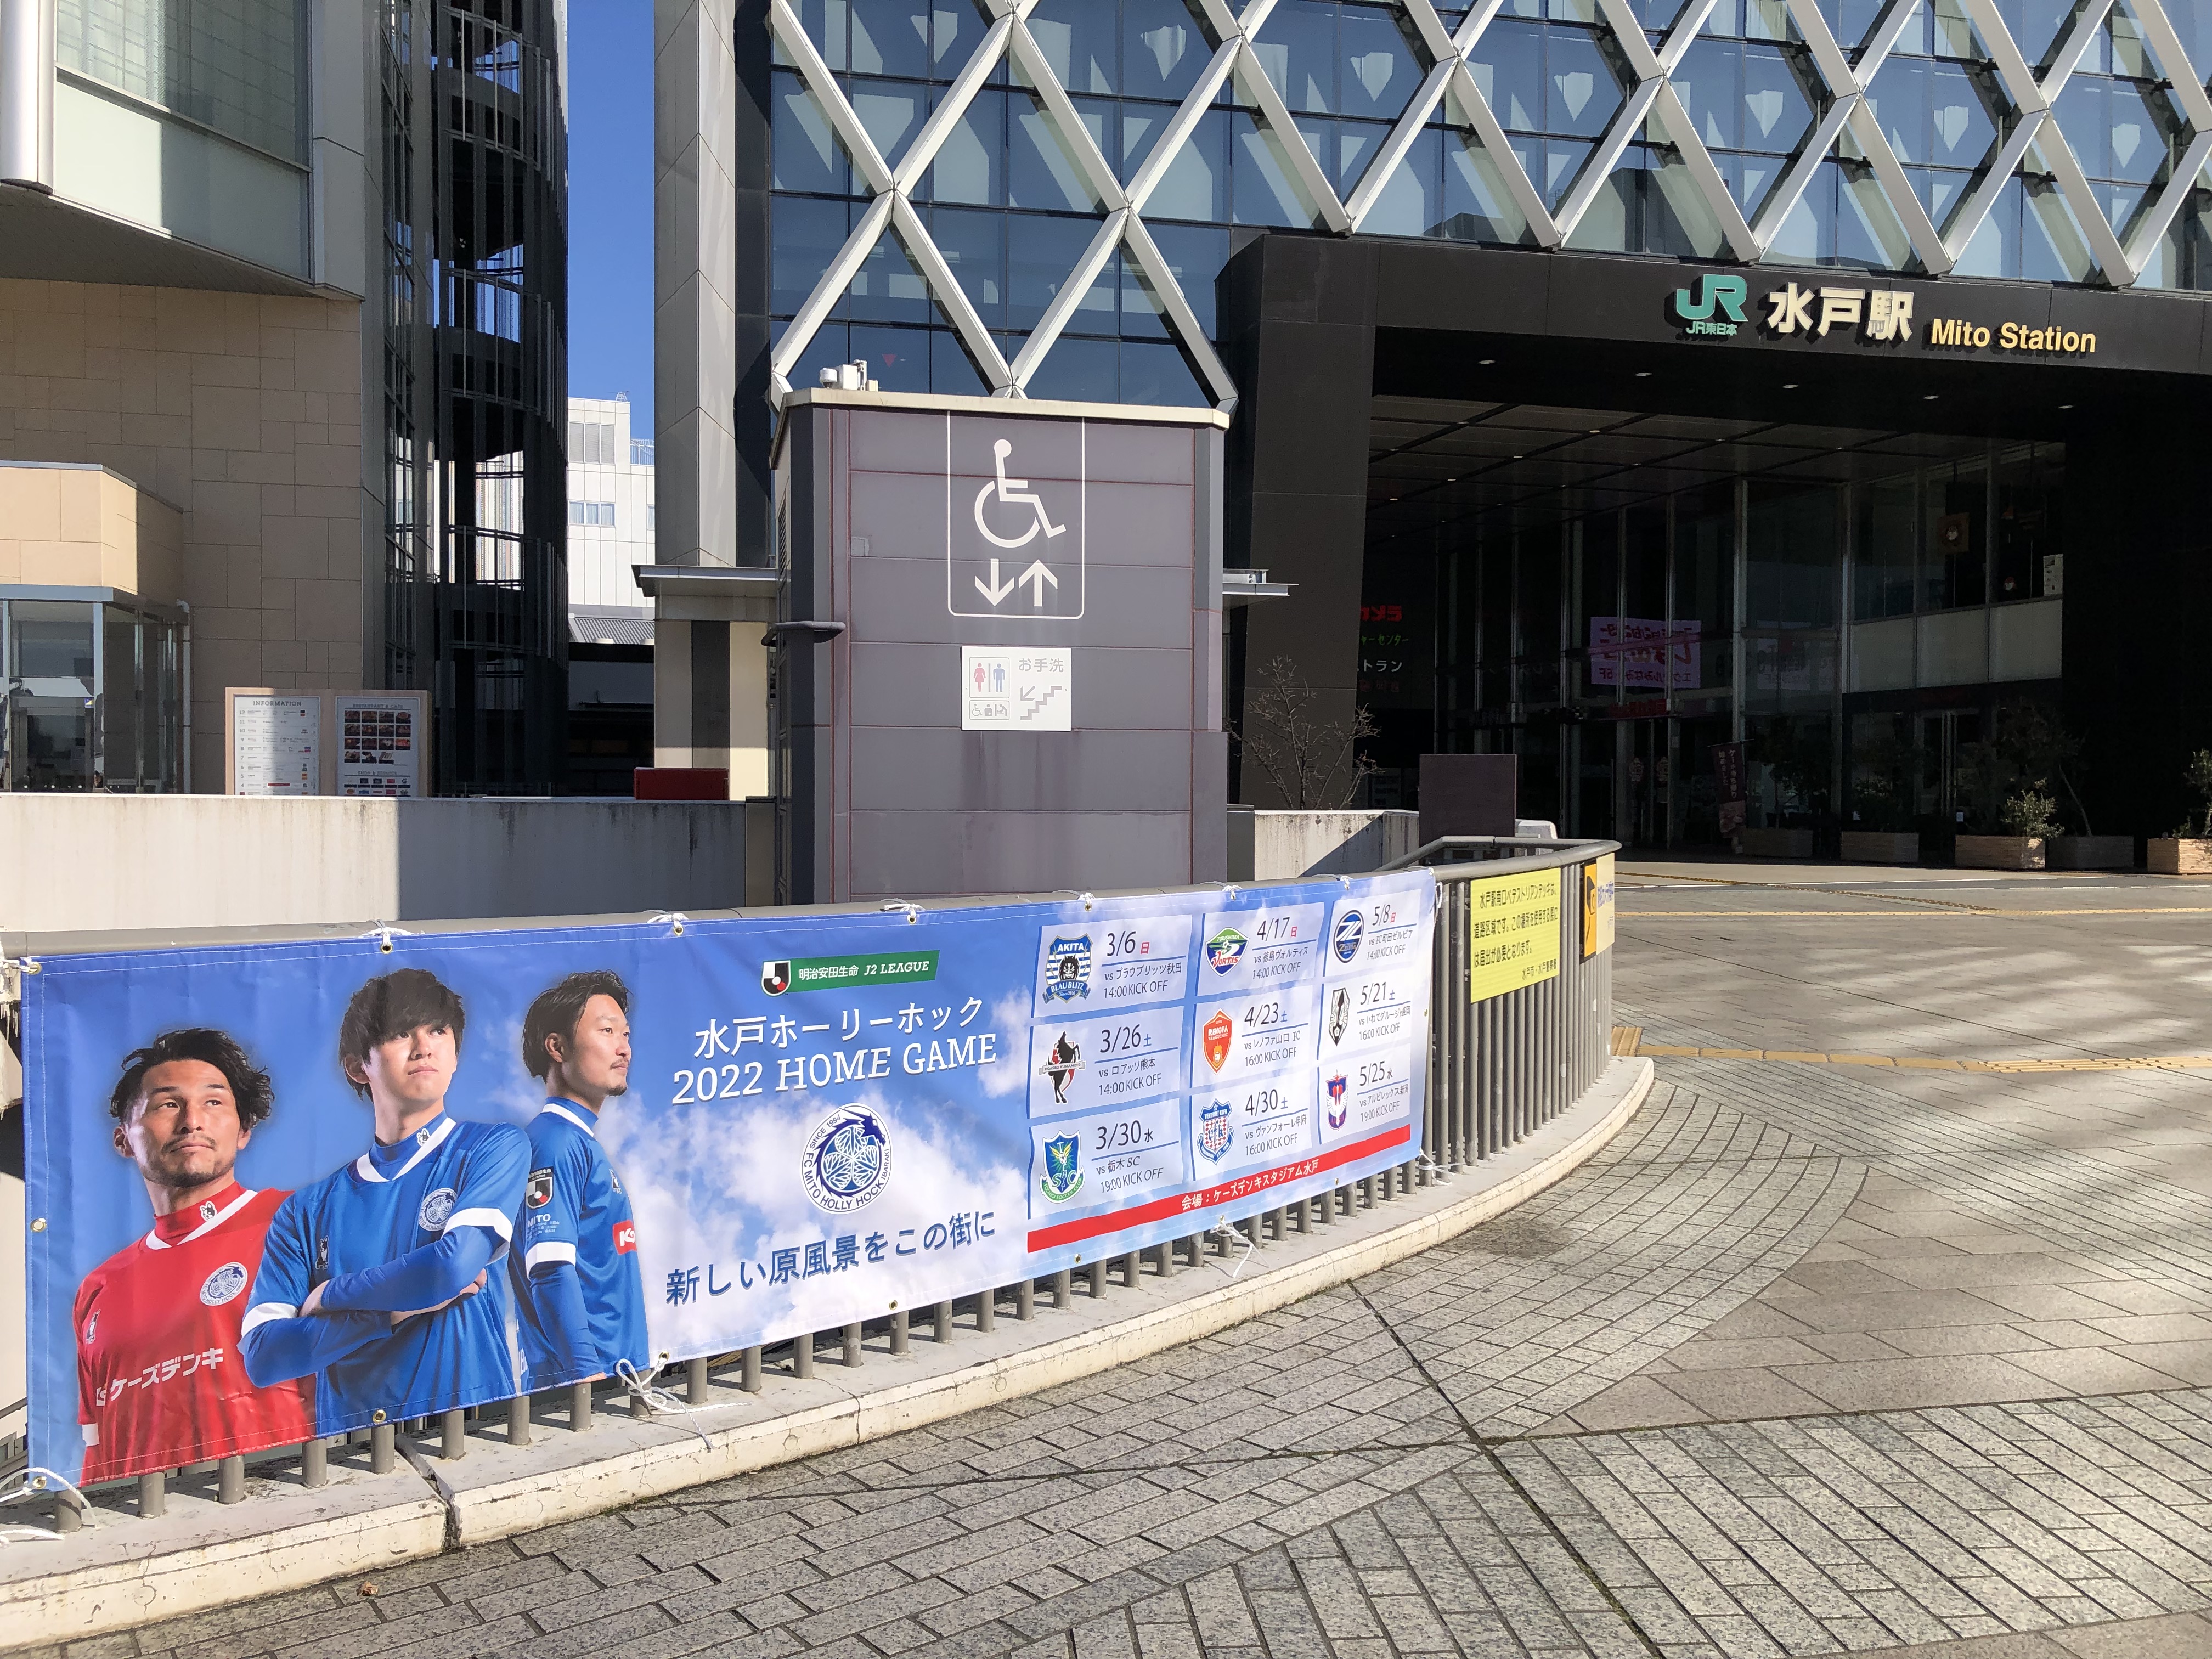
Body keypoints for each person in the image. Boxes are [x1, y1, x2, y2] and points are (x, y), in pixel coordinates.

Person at [241, 969, 528, 1434]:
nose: (424, 1047)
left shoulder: (491, 1148)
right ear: (359, 1067)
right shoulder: (306, 1210)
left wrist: (330, 1295)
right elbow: (264, 1355)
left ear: (455, 1054)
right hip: (353, 1452)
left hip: (474, 1436)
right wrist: (392, 1312)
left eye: (438, 1031)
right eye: (400, 1033)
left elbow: (449, 1268)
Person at [73, 1030, 315, 1483]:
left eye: (214, 1102)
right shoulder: (98, 1287)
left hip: (282, 1498)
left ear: (243, 1131)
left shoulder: (300, 1221)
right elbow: (97, 1444)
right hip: (144, 1518)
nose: (192, 1121)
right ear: (124, 1139)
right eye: (168, 1104)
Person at [509, 972, 650, 1391]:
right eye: (607, 1031)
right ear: (557, 1047)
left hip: (610, 1375)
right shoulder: (556, 1143)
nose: (623, 1048)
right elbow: (550, 1269)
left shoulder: (577, 1141)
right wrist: (585, 1375)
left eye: (626, 1034)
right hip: (584, 1388)